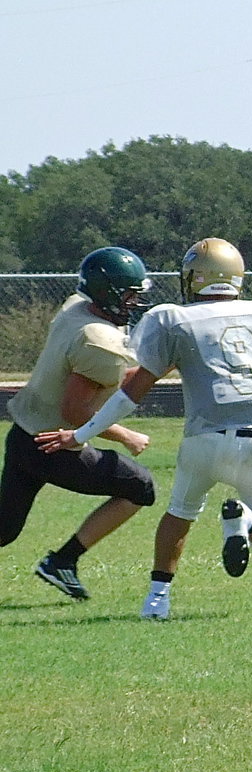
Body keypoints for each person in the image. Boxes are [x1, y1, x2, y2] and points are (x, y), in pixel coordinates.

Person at [36, 237, 252, 620]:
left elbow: (129, 395)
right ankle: (246, 521)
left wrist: (79, 435)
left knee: (180, 513)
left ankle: (157, 601)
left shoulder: (173, 318)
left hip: (204, 441)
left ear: (193, 278)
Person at [1, 247, 155, 600]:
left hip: (26, 435)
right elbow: (75, 410)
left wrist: (158, 367)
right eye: (129, 294)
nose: (134, 301)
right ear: (109, 293)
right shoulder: (100, 341)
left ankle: (62, 563)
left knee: (3, 530)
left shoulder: (75, 308)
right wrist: (125, 435)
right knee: (140, 486)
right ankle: (63, 561)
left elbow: (109, 380)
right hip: (55, 445)